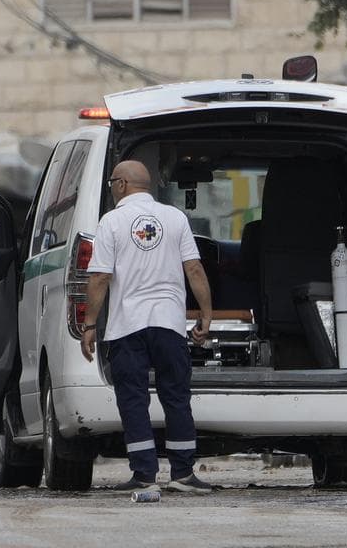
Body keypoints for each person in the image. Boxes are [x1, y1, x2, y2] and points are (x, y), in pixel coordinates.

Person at [79, 159, 216, 494]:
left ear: (122, 184)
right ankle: (183, 474)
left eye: (112, 182)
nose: (112, 187)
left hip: (128, 326)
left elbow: (100, 277)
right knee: (176, 396)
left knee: (133, 399)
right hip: (169, 323)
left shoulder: (111, 222)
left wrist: (89, 324)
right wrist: (206, 315)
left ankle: (144, 475)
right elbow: (194, 269)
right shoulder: (175, 218)